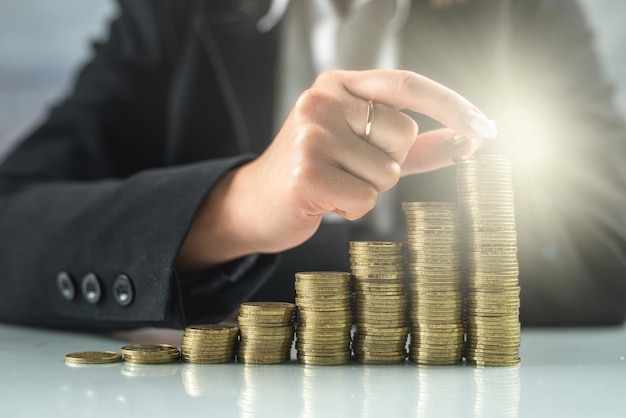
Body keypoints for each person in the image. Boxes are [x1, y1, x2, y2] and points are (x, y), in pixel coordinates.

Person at [0, 0, 624, 331]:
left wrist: (217, 272)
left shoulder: (526, 11)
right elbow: (13, 225)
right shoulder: (174, 13)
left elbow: (607, 246)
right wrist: (233, 208)